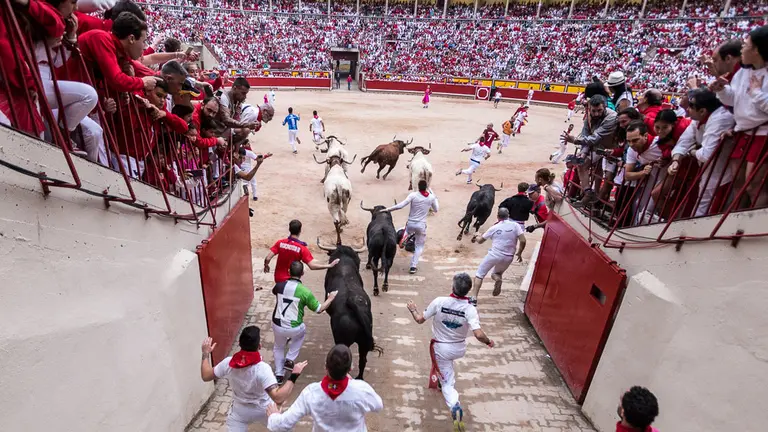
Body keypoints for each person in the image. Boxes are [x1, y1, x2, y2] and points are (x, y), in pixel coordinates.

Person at [406, 273, 495, 432]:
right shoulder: (470, 309)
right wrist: (489, 342)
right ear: (467, 290)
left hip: (442, 349)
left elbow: (419, 319)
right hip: (459, 348)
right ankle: (442, 379)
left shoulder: (439, 302)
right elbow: (479, 334)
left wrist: (413, 310)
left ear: (453, 287)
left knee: (448, 383)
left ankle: (455, 406)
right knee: (446, 369)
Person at [200, 326, 307, 431]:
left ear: (240, 344)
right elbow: (278, 398)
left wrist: (205, 353)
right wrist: (294, 375)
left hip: (240, 410)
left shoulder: (228, 363)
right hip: (265, 408)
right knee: (284, 428)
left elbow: (206, 375)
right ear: (259, 346)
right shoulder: (262, 369)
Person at [266, 344, 383, 432]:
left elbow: (283, 424)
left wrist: (274, 416)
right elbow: (378, 406)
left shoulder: (311, 393)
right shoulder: (361, 390)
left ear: (325, 367)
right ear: (350, 369)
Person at [712, 25, 768, 208]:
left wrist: (757, 93)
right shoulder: (743, 72)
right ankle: (739, 224)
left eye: (746, 45)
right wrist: (722, 91)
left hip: (762, 134)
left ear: (757, 50)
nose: (742, 49)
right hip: (743, 133)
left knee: (755, 186)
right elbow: (735, 98)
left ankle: (757, 227)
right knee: (739, 184)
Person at [670, 88, 735, 216]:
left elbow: (706, 155)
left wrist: (693, 152)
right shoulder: (699, 118)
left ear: (702, 110)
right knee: (702, 206)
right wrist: (676, 160)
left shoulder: (720, 119)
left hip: (723, 173)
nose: (687, 109)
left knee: (715, 211)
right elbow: (684, 141)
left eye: (691, 106)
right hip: (709, 171)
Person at [271, 261, 338, 384]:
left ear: (288, 272)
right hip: (295, 328)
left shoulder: (279, 285)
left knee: (278, 347)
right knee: (300, 335)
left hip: (277, 324)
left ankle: (279, 375)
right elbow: (320, 309)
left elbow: (274, 291)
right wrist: (330, 298)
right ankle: (290, 359)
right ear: (302, 274)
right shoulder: (305, 292)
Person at [380, 180, 439, 274]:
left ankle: (405, 236)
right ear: (426, 187)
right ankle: (413, 266)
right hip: (421, 225)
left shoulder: (413, 195)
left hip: (410, 223)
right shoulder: (431, 197)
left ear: (418, 187)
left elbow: (400, 206)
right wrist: (435, 198)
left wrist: (387, 209)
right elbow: (436, 209)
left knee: (405, 229)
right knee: (419, 246)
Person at [469, 208, 526, 305]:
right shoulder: (516, 225)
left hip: (494, 254)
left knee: (480, 274)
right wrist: (519, 252)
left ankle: (473, 298)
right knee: (497, 274)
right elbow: (523, 240)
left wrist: (477, 235)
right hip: (508, 256)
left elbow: (480, 241)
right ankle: (498, 279)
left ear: (497, 216)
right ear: (508, 215)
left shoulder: (494, 228)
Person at [264, 219, 340, 283]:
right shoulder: (302, 248)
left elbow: (268, 258)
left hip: (278, 279)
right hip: (292, 281)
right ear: (300, 231)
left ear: (289, 229)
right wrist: (329, 266)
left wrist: (266, 266)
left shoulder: (280, 243)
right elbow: (312, 266)